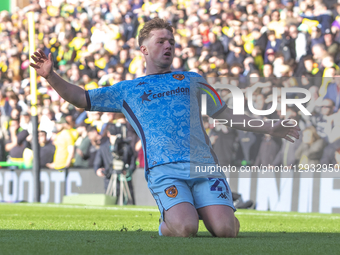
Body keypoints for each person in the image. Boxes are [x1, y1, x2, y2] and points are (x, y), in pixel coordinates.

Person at [30, 18, 300, 238]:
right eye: (161, 41)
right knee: (185, 229)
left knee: (226, 231)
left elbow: (226, 114)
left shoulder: (193, 80)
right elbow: (81, 98)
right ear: (144, 49)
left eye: (171, 41)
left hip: (203, 165)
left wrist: (270, 126)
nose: (168, 46)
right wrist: (51, 76)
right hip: (164, 170)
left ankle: (217, 211)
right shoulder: (128, 90)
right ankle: (172, 218)